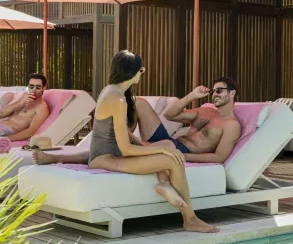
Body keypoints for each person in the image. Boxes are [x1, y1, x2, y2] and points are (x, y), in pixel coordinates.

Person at [59, 50, 217, 233]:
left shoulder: (115, 91)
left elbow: (123, 134)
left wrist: (149, 146)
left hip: (114, 153)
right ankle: (190, 219)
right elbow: (125, 149)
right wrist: (159, 151)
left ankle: (164, 183)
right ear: (131, 72)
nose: (142, 73)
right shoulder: (116, 99)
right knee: (173, 159)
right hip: (104, 158)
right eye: (141, 70)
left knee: (168, 145)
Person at [33, 77, 242, 165]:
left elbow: (219, 157)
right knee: (138, 103)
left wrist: (182, 157)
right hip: (169, 142)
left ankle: (55, 158)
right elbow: (171, 115)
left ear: (232, 94)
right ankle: (124, 137)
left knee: (116, 149)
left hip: (178, 150)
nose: (215, 94)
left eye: (220, 91)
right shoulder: (206, 111)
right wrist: (192, 96)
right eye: (214, 90)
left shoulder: (231, 125)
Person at [0, 74, 50, 142]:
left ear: (43, 88)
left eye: (38, 87)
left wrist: (6, 139)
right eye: (31, 86)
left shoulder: (42, 108)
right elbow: (1, 114)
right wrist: (20, 103)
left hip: (6, 131)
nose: (34, 90)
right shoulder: (24, 97)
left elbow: (31, 131)